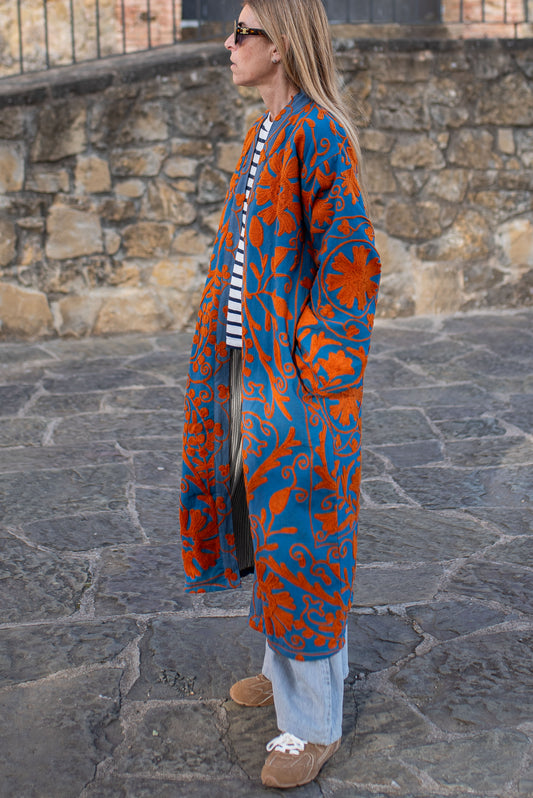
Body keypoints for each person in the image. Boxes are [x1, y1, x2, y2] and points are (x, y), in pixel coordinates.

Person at [179, 0, 381, 788]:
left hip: (291, 385)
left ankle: (311, 724)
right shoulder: (267, 129)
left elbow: (349, 263)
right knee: (269, 531)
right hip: (247, 373)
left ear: (283, 44)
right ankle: (285, 668)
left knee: (302, 542)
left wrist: (316, 375)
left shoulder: (317, 133)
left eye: (243, 32)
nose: (228, 44)